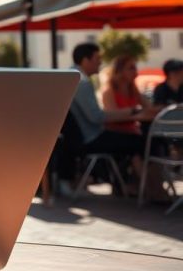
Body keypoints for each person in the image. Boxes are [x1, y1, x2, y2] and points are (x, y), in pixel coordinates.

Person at [61, 43, 153, 195]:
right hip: (90, 138)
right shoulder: (81, 81)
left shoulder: (71, 76)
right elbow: (96, 117)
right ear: (85, 60)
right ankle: (147, 190)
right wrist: (130, 112)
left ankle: (137, 187)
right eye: (97, 58)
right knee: (140, 142)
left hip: (79, 138)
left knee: (135, 141)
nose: (100, 62)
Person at [100, 55, 150, 136]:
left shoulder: (133, 90)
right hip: (116, 135)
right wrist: (136, 113)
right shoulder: (109, 91)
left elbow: (148, 107)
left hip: (133, 132)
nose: (135, 72)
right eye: (131, 68)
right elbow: (113, 116)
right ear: (120, 71)